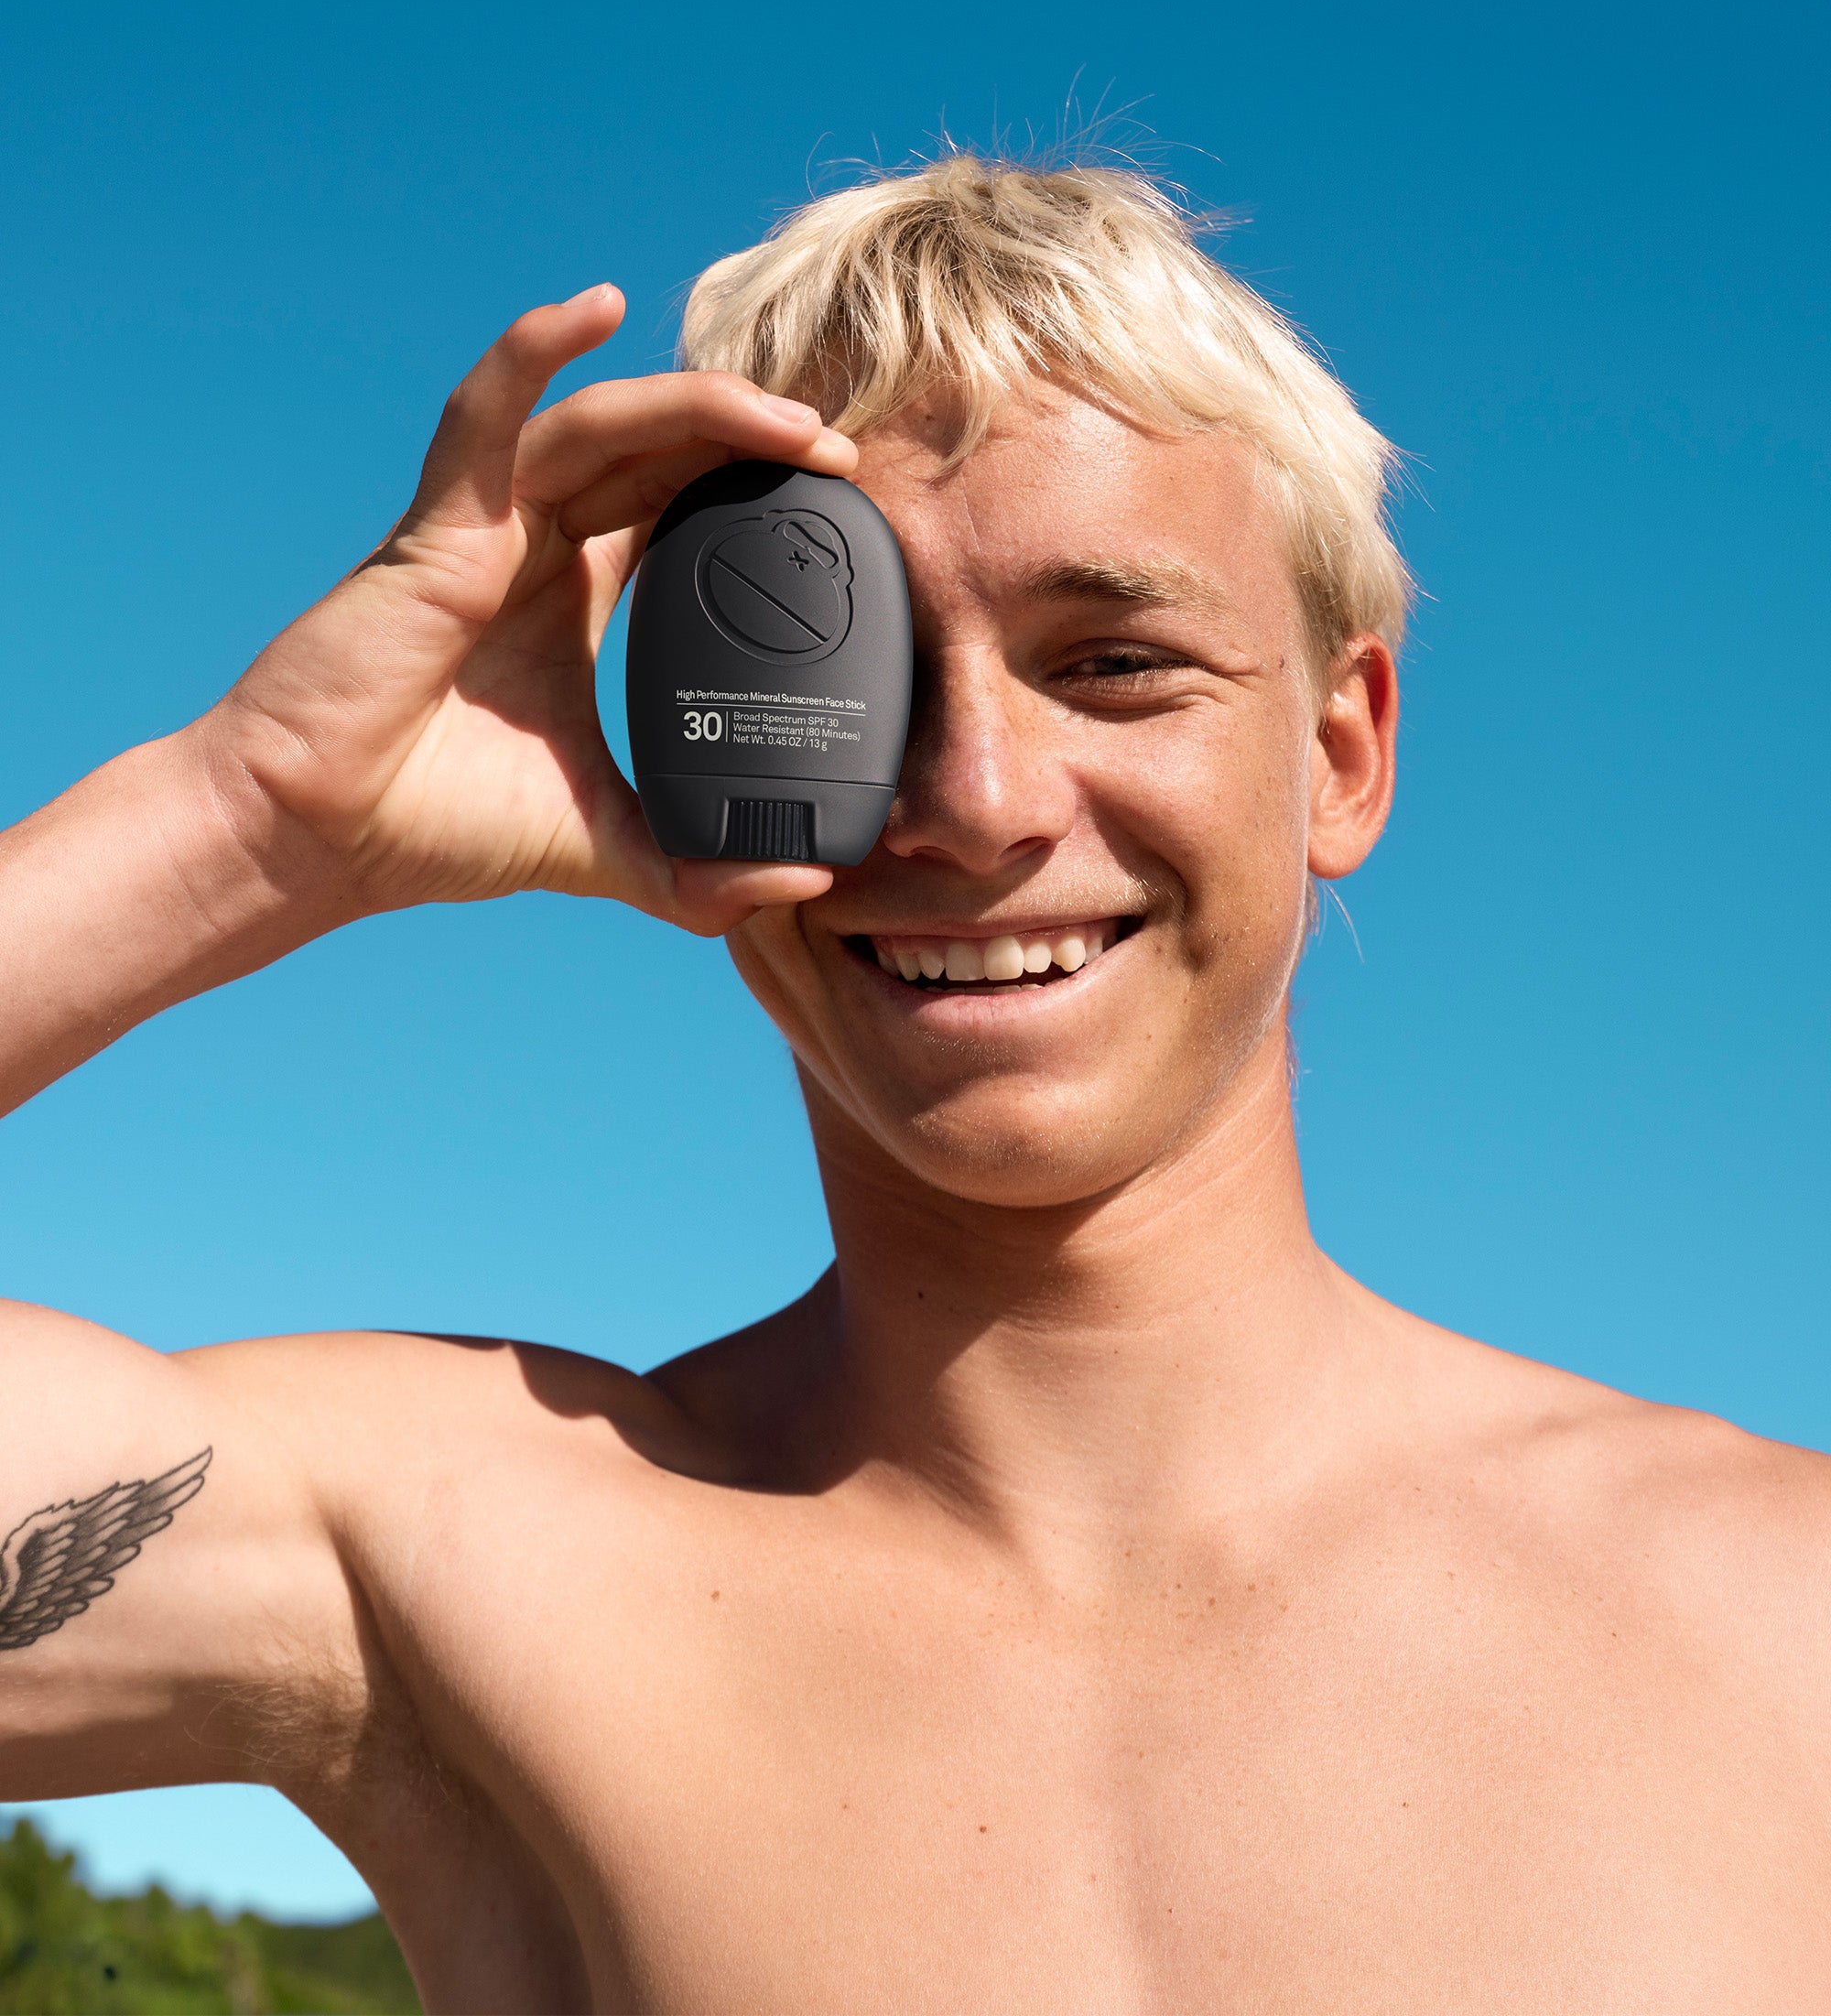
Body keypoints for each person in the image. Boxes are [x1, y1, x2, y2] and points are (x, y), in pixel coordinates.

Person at [2, 156, 1826, 2015]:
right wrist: (245, 821)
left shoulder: (1788, 1618)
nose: (972, 804)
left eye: (1112, 663)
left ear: (1341, 752)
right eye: (841, 681)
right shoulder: (461, 1561)